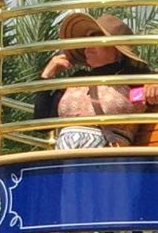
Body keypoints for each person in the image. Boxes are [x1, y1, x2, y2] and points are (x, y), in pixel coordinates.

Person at [34, 10, 151, 148]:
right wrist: (46, 75)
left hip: (107, 162)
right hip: (64, 162)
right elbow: (41, 124)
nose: (88, 44)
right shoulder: (76, 80)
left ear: (117, 48)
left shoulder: (134, 79)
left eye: (96, 37)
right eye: (87, 38)